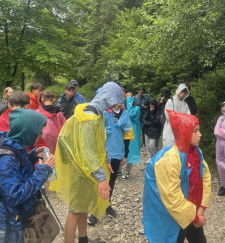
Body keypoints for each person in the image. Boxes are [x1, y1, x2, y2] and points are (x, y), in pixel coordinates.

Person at [49, 82, 122, 243]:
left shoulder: (97, 112)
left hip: (86, 168)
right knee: (75, 210)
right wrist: (101, 178)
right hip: (80, 169)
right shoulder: (89, 116)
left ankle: (83, 239)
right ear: (109, 97)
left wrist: (107, 159)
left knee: (83, 207)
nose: (117, 104)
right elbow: (88, 150)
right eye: (116, 99)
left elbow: (100, 140)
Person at [143, 110, 211, 243]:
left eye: (199, 130)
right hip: (175, 217)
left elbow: (205, 179)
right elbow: (171, 196)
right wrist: (195, 218)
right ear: (185, 132)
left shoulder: (196, 152)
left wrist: (202, 208)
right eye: (195, 131)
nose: (200, 135)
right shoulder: (171, 159)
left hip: (192, 211)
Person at [0, 108, 56, 243]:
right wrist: (43, 171)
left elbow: (17, 172)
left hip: (19, 218)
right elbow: (14, 196)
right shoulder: (7, 158)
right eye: (39, 132)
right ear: (27, 132)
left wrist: (32, 155)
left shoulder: (15, 144)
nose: (41, 136)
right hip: (12, 226)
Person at [162, 84, 191, 148]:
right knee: (170, 145)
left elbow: (188, 116)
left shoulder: (185, 104)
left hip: (181, 129)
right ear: (178, 91)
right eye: (181, 92)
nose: (183, 94)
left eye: (184, 93)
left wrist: (179, 118)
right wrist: (179, 117)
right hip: (170, 128)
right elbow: (168, 114)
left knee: (180, 147)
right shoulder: (171, 101)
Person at [122, 93, 141, 180]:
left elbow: (130, 114)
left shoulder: (136, 108)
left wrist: (129, 99)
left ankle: (127, 171)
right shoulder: (123, 107)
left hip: (133, 131)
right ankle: (118, 169)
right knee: (121, 149)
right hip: (123, 130)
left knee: (130, 151)